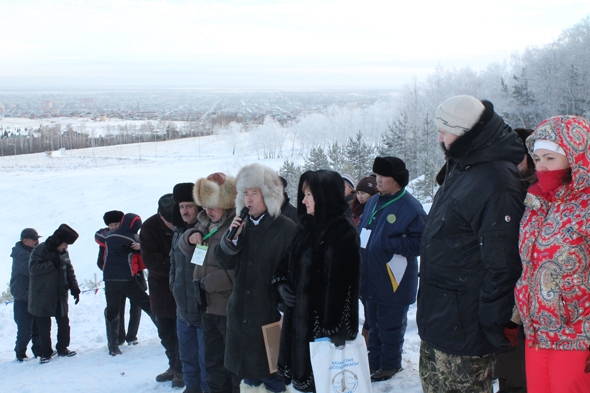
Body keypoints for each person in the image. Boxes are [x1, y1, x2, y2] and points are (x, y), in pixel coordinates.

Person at [417, 95, 526, 392]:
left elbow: (503, 264)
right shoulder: (463, 165)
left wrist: (492, 322)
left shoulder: (496, 181)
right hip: (439, 317)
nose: (439, 137)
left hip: (465, 329)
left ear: (466, 131)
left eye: (445, 130)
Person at [515, 116, 590, 392]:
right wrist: (516, 314)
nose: (541, 167)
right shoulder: (536, 202)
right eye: (536, 159)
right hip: (537, 331)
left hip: (578, 335)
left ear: (575, 157)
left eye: (550, 158)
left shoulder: (586, 203)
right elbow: (530, 264)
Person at [274, 170, 361, 392]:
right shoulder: (306, 225)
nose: (303, 201)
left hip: (321, 330)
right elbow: (286, 260)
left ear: (325, 196)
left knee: (323, 382)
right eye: (303, 194)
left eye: (309, 195)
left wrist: (335, 332)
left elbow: (344, 288)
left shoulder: (341, 231)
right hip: (298, 322)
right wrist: (282, 283)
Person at [214, 163, 297, 393]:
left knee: (274, 377)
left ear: (268, 195)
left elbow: (293, 275)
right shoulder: (242, 226)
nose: (248, 199)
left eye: (254, 193)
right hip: (241, 316)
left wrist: (282, 310)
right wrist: (231, 240)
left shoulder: (286, 228)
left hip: (270, 316)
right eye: (245, 194)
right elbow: (223, 261)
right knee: (248, 378)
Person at [358, 156, 427, 382]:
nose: (377, 180)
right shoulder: (373, 201)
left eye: (382, 176)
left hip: (393, 279)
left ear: (396, 180)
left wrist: (391, 243)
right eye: (376, 174)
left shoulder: (411, 207)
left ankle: (390, 365)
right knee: (373, 323)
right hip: (371, 276)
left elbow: (422, 242)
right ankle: (374, 362)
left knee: (390, 326)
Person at [188, 172, 239, 393]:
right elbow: (187, 250)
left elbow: (240, 270)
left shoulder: (236, 227)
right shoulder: (204, 225)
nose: (208, 210)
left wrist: (209, 283)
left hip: (228, 308)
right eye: (205, 205)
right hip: (207, 307)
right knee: (213, 365)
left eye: (213, 205)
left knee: (232, 366)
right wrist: (190, 236)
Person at [493, 128, 534, 393]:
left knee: (519, 377)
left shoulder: (532, 194)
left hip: (528, 305)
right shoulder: (507, 186)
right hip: (507, 299)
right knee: (508, 374)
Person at [140, 194, 184, 388]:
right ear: (160, 216)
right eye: (169, 222)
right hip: (161, 289)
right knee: (166, 333)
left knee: (183, 332)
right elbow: (152, 262)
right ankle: (173, 366)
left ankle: (182, 370)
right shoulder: (149, 228)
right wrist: (177, 266)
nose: (173, 226)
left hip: (183, 288)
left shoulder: (185, 223)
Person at [95, 213, 153, 356]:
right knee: (147, 304)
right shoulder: (134, 238)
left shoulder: (108, 236)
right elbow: (147, 254)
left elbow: (98, 237)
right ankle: (167, 333)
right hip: (127, 278)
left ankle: (113, 346)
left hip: (109, 279)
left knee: (112, 310)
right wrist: (141, 247)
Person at [169, 182, 208, 393]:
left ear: (198, 207)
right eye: (182, 206)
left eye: (189, 206)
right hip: (182, 311)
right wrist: (173, 286)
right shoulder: (177, 232)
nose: (185, 211)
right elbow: (172, 264)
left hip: (201, 311)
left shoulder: (205, 232)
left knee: (205, 361)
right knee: (187, 359)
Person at [28, 223, 80, 364]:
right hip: (42, 295)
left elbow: (69, 269)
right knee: (44, 326)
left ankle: (63, 348)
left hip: (59, 294)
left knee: (64, 323)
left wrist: (74, 287)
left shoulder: (63, 252)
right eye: (64, 244)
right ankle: (46, 353)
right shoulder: (40, 250)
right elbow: (33, 269)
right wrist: (53, 263)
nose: (66, 248)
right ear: (58, 242)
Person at [10, 228, 42, 362]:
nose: (37, 241)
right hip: (22, 297)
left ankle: (39, 351)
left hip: (33, 296)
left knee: (37, 326)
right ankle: (20, 353)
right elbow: (32, 270)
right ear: (25, 241)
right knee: (25, 329)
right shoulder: (20, 254)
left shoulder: (32, 251)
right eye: (34, 239)